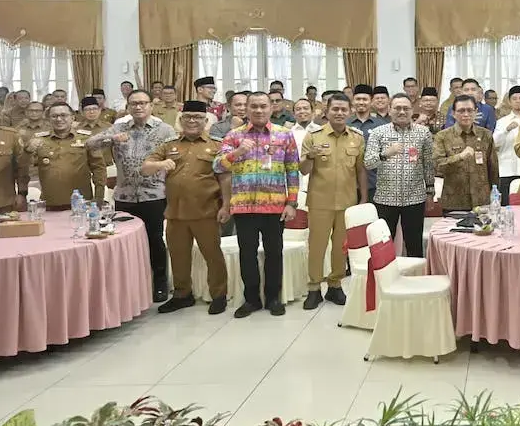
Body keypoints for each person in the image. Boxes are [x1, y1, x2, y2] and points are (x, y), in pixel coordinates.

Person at [213, 92, 301, 318]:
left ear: (271, 108)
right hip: (244, 207)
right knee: (247, 254)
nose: (259, 110)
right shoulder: (234, 135)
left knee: (274, 253)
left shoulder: (284, 135)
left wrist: (292, 203)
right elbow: (218, 166)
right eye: (254, 106)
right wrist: (238, 152)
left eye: (263, 106)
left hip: (275, 207)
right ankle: (251, 299)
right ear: (247, 109)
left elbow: (292, 170)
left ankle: (273, 298)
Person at [85, 90, 177, 302]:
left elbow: (175, 157)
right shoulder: (119, 128)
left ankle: (160, 283)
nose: (138, 107)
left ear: (151, 106)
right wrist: (111, 138)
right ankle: (132, 286)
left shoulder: (164, 130)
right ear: (128, 107)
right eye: (134, 103)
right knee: (126, 242)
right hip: (125, 196)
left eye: (143, 103)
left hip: (154, 195)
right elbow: (90, 144)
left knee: (155, 240)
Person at [143, 101, 229, 315]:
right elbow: (145, 168)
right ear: (181, 120)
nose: (192, 121)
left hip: (206, 211)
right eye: (188, 117)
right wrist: (160, 164)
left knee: (213, 256)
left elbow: (226, 177)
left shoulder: (217, 145)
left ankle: (219, 295)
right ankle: (182, 295)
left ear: (205, 120)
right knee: (178, 256)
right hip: (175, 213)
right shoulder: (169, 145)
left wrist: (226, 205)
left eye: (197, 117)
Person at [299, 92, 367, 309]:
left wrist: (364, 198)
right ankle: (313, 288)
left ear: (350, 112)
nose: (339, 113)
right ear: (326, 112)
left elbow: (361, 170)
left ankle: (335, 286)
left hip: (347, 202)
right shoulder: (313, 136)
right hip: (320, 201)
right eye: (335, 109)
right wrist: (310, 156)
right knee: (317, 247)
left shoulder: (357, 137)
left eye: (343, 109)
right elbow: (303, 169)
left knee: (341, 248)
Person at [364, 94, 435, 258]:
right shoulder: (378, 133)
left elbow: (428, 164)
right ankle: (385, 274)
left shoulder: (423, 133)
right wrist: (385, 154)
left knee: (414, 245)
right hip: (385, 198)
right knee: (383, 244)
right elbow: (368, 163)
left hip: (415, 198)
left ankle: (415, 273)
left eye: (406, 108)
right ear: (390, 110)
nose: (402, 111)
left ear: (412, 110)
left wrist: (430, 192)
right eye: (397, 108)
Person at [25, 102, 106, 210]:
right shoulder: (39, 140)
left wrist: (99, 196)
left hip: (81, 202)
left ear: (72, 118)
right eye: (54, 116)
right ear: (48, 119)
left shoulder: (87, 138)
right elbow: (25, 165)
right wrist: (28, 151)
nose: (59, 119)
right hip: (50, 202)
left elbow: (99, 168)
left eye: (63, 115)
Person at [435, 95, 500, 212]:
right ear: (453, 113)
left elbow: (493, 168)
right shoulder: (443, 136)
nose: (466, 114)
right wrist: (459, 157)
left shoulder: (485, 135)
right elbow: (437, 166)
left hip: (482, 201)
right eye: (461, 111)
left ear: (476, 112)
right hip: (454, 202)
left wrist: (494, 194)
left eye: (470, 110)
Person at [349, 84, 388, 201]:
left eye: (365, 99)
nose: (361, 102)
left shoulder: (382, 125)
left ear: (371, 101)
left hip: (375, 183)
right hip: (349, 183)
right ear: (353, 101)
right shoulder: (345, 124)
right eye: (358, 99)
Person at [492, 86, 520, 205]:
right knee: (505, 204)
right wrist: (506, 130)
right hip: (506, 169)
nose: (518, 101)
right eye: (514, 99)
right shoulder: (502, 122)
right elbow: (494, 143)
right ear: (510, 102)